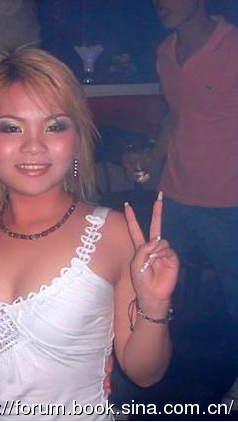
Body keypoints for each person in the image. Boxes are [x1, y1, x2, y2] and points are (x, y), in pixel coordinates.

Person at [0, 47, 178, 419]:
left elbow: (144, 373)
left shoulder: (112, 233)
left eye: (54, 126)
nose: (34, 145)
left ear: (76, 139)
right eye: (12, 127)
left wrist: (154, 306)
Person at [122, 0, 238, 403]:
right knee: (151, 287)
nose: (160, 3)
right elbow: (176, 114)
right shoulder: (165, 52)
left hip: (228, 200)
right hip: (173, 195)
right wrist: (152, 157)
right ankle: (142, 369)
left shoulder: (233, 46)